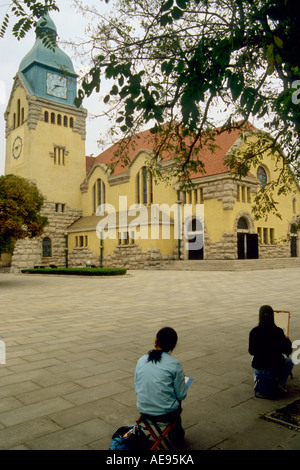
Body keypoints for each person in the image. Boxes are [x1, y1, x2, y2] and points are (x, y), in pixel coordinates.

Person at [134, 327, 187, 445]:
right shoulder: (174, 364)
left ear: (156, 341)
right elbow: (181, 394)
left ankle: (174, 432)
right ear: (173, 346)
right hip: (166, 412)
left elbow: (137, 388)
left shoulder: (141, 360)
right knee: (180, 391)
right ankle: (177, 434)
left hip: (144, 409)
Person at [249, 305, 294, 392]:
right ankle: (281, 383)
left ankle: (257, 380)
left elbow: (251, 351)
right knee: (290, 361)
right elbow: (288, 350)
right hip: (275, 369)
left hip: (258, 368)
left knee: (253, 358)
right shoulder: (278, 331)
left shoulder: (254, 332)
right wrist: (287, 340)